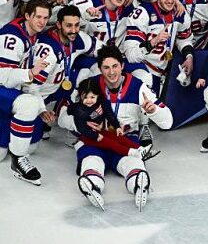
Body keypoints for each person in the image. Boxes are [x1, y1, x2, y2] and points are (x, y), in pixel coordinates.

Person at [58, 45, 173, 211]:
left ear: (122, 66)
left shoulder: (138, 87)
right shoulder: (90, 86)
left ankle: (138, 182)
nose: (111, 72)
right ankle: (92, 183)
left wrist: (154, 111)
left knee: (132, 162)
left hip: (125, 139)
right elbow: (63, 115)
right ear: (99, 68)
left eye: (115, 66)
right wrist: (78, 123)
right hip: (94, 140)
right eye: (106, 67)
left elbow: (168, 122)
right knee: (91, 160)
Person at [0, 0, 52, 185]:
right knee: (27, 104)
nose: (42, 21)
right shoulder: (13, 36)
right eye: (38, 16)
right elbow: (2, 75)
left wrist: (41, 108)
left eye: (45, 18)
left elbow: (27, 83)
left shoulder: (33, 35)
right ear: (27, 16)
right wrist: (29, 73)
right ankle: (18, 161)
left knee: (34, 142)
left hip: (8, 94)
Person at [123, 0, 194, 96]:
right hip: (140, 67)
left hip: (161, 70)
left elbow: (184, 39)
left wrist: (189, 57)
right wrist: (154, 41)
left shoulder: (180, 13)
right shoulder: (143, 13)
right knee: (147, 86)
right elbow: (130, 55)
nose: (170, 0)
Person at [66, 77, 150, 159]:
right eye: (85, 97)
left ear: (97, 95)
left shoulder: (101, 102)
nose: (89, 100)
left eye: (92, 97)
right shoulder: (79, 110)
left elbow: (109, 114)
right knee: (112, 144)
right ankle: (134, 154)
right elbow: (81, 127)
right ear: (80, 96)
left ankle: (140, 149)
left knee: (118, 138)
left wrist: (116, 126)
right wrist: (95, 136)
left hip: (101, 131)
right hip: (89, 136)